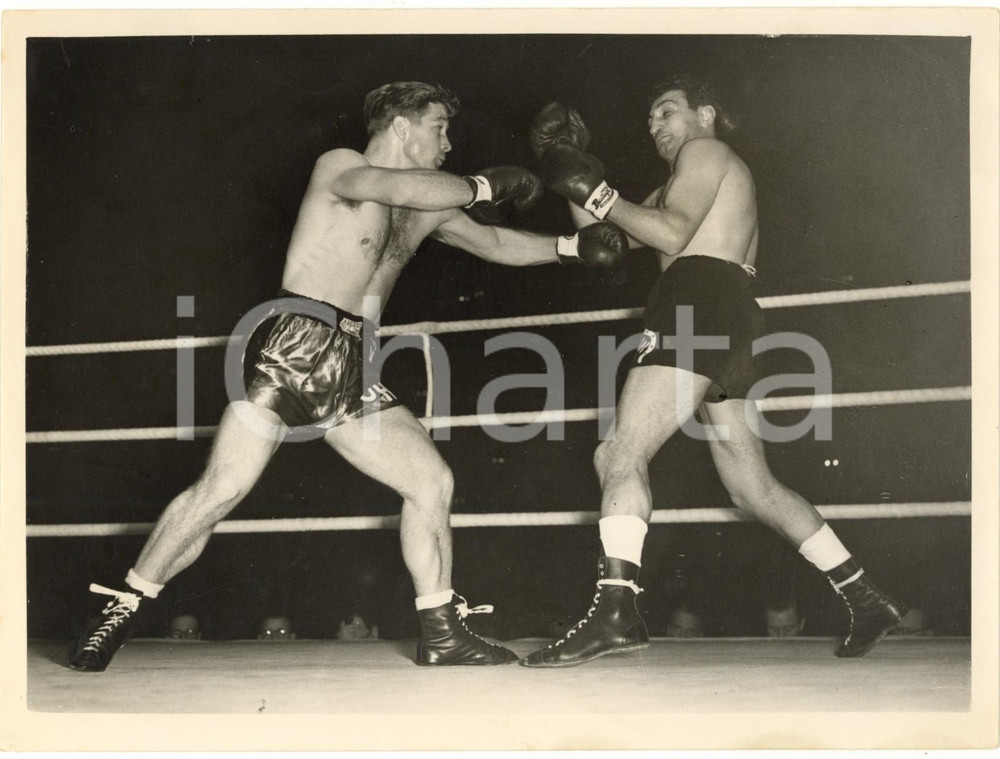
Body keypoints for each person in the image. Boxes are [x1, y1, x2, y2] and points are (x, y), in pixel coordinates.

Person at [69, 81, 629, 672]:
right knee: (223, 488)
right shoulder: (344, 167)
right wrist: (484, 185)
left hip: (355, 364)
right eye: (438, 127)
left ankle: (440, 632)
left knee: (430, 481)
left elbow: (491, 240)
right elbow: (399, 185)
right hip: (294, 341)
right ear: (401, 126)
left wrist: (571, 246)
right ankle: (122, 606)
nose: (446, 142)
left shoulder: (422, 208)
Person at [520, 76, 906, 667]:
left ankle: (616, 613)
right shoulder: (682, 181)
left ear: (705, 115)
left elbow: (672, 233)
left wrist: (596, 192)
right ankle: (864, 594)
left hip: (697, 300)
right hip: (726, 311)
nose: (656, 127)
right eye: (650, 120)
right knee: (752, 487)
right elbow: (601, 232)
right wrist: (565, 163)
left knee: (619, 453)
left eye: (666, 111)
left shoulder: (707, 153)